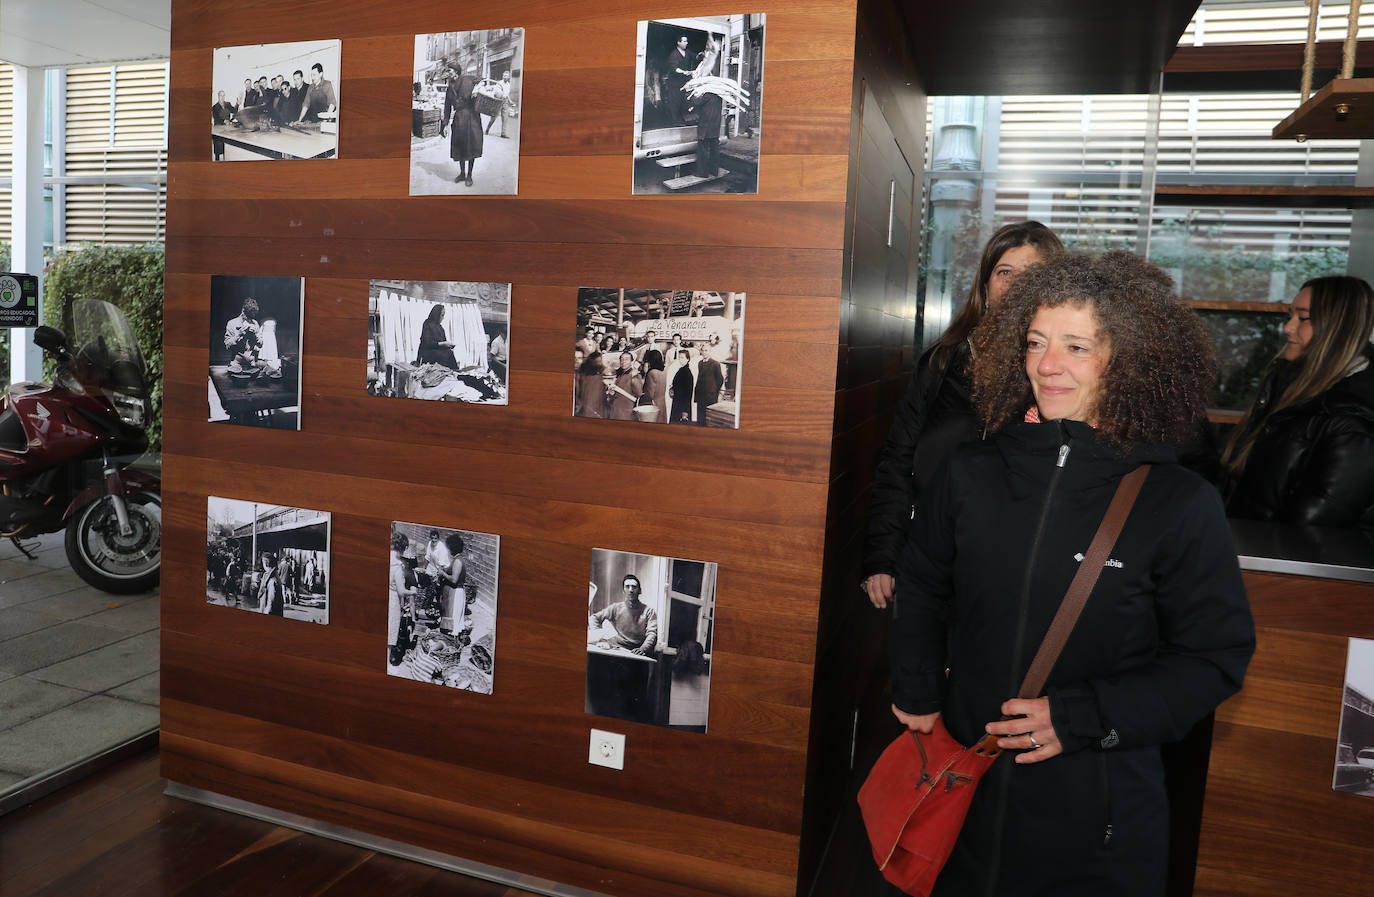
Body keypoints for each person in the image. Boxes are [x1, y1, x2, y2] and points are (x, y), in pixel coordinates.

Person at [889, 251, 1255, 897]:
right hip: (966, 798)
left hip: (1095, 823)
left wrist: (1081, 716)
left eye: (1077, 346)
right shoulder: (970, 473)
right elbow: (920, 580)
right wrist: (917, 683)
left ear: (1129, 360)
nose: (1047, 364)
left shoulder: (1178, 502)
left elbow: (1213, 657)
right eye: (1034, 342)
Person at [863, 220, 1063, 609]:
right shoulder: (942, 363)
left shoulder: (1061, 376)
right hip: (932, 561)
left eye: (1032, 274)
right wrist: (883, 558)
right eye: (1005, 272)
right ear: (986, 287)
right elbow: (897, 463)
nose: (1016, 284)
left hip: (1022, 576)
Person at [1222, 275, 1374, 528]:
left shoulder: (1353, 423)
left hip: (1273, 560)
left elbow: (1308, 532)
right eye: (1289, 316)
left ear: (1338, 327)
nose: (1287, 328)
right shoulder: (1289, 386)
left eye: (1303, 318)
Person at [589, 574, 659, 656]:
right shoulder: (616, 607)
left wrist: (643, 649)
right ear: (623, 591)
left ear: (640, 591)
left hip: (637, 653)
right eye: (627, 586)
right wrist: (600, 638)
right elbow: (594, 618)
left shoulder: (649, 611)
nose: (631, 590)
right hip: (617, 650)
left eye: (634, 587)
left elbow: (652, 634)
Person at [441, 63, 483, 187]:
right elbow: (447, 106)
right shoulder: (449, 87)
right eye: (447, 71)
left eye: (449, 71)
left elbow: (482, 80)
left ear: (456, 72)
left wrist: (477, 89)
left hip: (472, 117)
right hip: (459, 118)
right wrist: (445, 123)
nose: (448, 73)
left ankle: (469, 175)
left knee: (471, 145)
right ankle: (462, 173)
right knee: (460, 146)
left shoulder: (468, 79)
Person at [690, 35, 725, 179]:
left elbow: (695, 102)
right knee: (715, 149)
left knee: (703, 149)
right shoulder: (719, 93)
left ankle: (702, 173)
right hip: (715, 127)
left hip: (705, 127)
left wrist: (692, 94)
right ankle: (714, 171)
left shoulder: (706, 93)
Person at [389, 532, 417, 666]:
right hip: (393, 602)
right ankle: (388, 667)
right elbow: (401, 590)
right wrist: (412, 593)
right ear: (403, 548)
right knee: (389, 636)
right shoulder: (398, 566)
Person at [434, 532, 468, 635]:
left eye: (449, 548)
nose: (448, 550)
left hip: (456, 593)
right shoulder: (456, 559)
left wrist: (442, 573)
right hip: (452, 593)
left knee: (453, 618)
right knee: (451, 617)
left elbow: (454, 579)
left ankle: (451, 642)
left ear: (452, 548)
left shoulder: (458, 561)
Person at [417, 304, 460, 369]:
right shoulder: (427, 324)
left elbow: (444, 342)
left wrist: (448, 345)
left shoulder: (440, 328)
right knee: (444, 355)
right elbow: (427, 343)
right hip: (426, 353)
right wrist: (442, 344)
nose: (443, 318)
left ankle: (454, 371)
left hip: (437, 352)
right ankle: (452, 370)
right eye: (442, 315)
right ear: (436, 315)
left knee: (449, 352)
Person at [694, 340, 725, 425]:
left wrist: (713, 390)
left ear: (710, 351)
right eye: (702, 350)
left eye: (706, 350)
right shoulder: (700, 363)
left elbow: (720, 379)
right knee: (700, 418)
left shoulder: (715, 364)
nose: (704, 352)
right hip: (700, 395)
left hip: (710, 396)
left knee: (709, 419)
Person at [665, 35, 693, 124]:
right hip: (674, 83)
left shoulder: (688, 52)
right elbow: (674, 68)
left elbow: (696, 57)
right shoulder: (674, 54)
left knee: (683, 101)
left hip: (683, 82)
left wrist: (702, 55)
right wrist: (683, 72)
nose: (686, 43)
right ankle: (675, 121)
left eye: (687, 41)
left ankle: (682, 119)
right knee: (675, 102)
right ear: (679, 42)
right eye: (684, 41)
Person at [609, 350, 643, 421]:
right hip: (616, 411)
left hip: (626, 413)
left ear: (631, 361)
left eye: (626, 359)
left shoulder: (635, 375)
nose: (623, 361)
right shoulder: (620, 374)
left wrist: (633, 378)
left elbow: (639, 394)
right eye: (622, 359)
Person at [484, 70, 516, 138]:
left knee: (505, 118)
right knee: (494, 117)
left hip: (505, 102)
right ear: (502, 76)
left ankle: (503, 133)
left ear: (509, 77)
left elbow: (507, 95)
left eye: (506, 76)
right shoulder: (499, 83)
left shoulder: (508, 85)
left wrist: (510, 102)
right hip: (498, 101)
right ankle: (487, 129)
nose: (505, 77)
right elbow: (496, 92)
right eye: (504, 75)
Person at [575, 352, 606, 418]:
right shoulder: (587, 375)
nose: (600, 363)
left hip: (593, 405)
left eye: (600, 361)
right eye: (598, 361)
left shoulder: (599, 374)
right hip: (590, 405)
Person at [641, 349, 667, 423]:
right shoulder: (664, 371)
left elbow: (650, 393)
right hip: (663, 402)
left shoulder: (652, 373)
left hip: (653, 404)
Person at [670, 347, 694, 423]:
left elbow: (688, 393)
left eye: (682, 357)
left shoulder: (687, 372)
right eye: (679, 357)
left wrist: (685, 411)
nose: (680, 359)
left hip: (682, 405)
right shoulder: (681, 369)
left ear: (688, 359)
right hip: (678, 401)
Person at [211, 91, 236, 160]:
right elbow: (216, 117)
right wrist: (224, 121)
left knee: (226, 147)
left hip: (227, 128)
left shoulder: (228, 104)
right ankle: (217, 159)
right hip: (218, 129)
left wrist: (238, 103)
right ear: (218, 96)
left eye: (223, 95)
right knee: (218, 146)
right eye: (221, 95)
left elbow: (234, 110)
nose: (222, 97)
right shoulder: (215, 107)